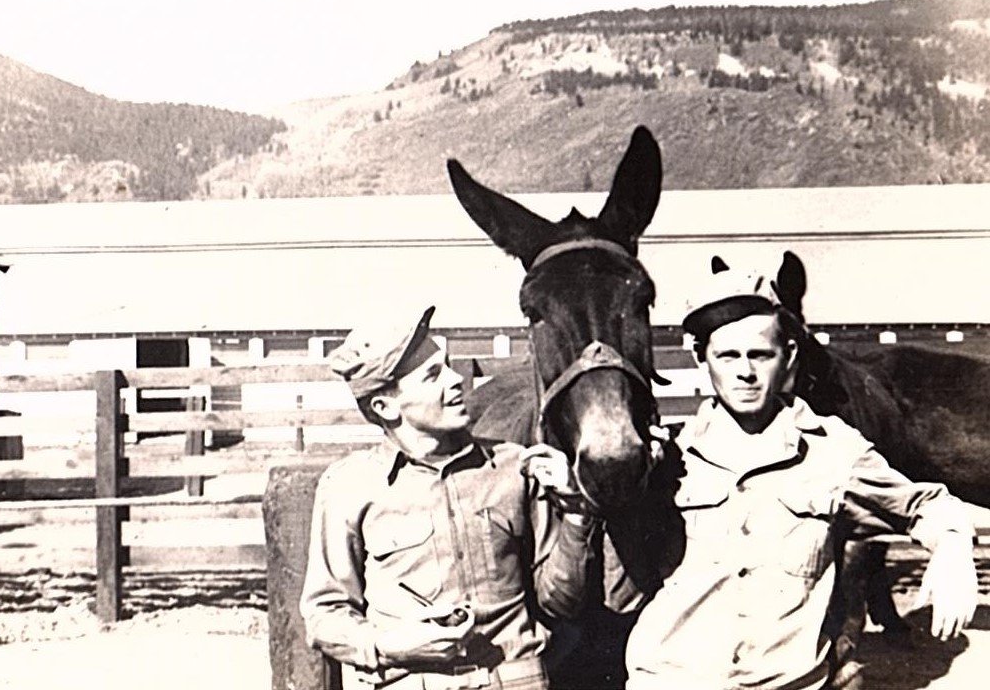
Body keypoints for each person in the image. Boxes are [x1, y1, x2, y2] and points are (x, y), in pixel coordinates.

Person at [624, 261, 979, 690]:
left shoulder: (833, 453)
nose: (745, 372)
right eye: (728, 355)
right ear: (702, 359)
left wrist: (954, 549)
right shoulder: (668, 459)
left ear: (789, 356)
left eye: (760, 354)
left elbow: (927, 506)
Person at [300, 305, 627, 690]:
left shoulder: (513, 468)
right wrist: (387, 646)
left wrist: (575, 510)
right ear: (385, 407)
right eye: (433, 375)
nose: (457, 381)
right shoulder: (350, 486)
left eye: (449, 366)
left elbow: (561, 603)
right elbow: (325, 612)